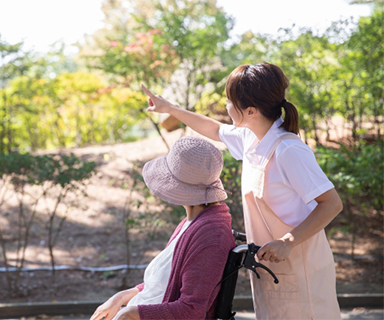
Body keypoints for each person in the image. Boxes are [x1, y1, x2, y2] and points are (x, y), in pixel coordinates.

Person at [141, 62, 343, 319]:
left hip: (301, 267)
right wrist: (169, 108)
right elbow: (214, 129)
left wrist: (287, 242)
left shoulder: (288, 151)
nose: (226, 106)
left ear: (250, 110)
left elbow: (332, 203)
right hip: (270, 268)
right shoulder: (250, 137)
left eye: (229, 101)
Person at [90, 136, 235, 320]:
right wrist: (121, 297)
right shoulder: (195, 221)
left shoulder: (211, 235)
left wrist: (131, 313)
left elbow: (192, 310)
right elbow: (163, 283)